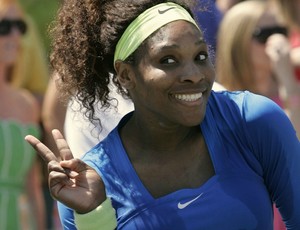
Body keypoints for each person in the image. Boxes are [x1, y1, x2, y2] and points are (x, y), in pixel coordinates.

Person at [26, 0, 300, 229]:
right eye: (168, 60)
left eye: (201, 56)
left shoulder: (253, 120)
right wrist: (94, 216)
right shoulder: (89, 185)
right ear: (125, 75)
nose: (194, 75)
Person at [215, 1, 300, 229]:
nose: (276, 42)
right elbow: (285, 148)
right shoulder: (223, 103)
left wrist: (288, 83)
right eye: (265, 34)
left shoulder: (292, 87)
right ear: (238, 41)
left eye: (281, 31)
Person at [0, 0, 46, 229]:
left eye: (20, 25)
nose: (16, 34)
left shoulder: (27, 105)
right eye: (4, 27)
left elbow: (32, 184)